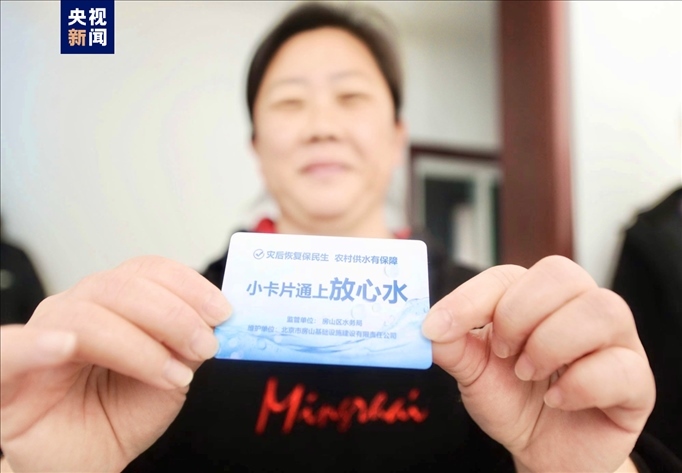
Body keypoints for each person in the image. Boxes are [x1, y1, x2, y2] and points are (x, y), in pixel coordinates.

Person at [0, 3, 676, 472]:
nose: (321, 124)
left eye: (351, 97)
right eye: (290, 102)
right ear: (257, 147)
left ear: (396, 138)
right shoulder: (167, 329)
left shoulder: (497, 329)